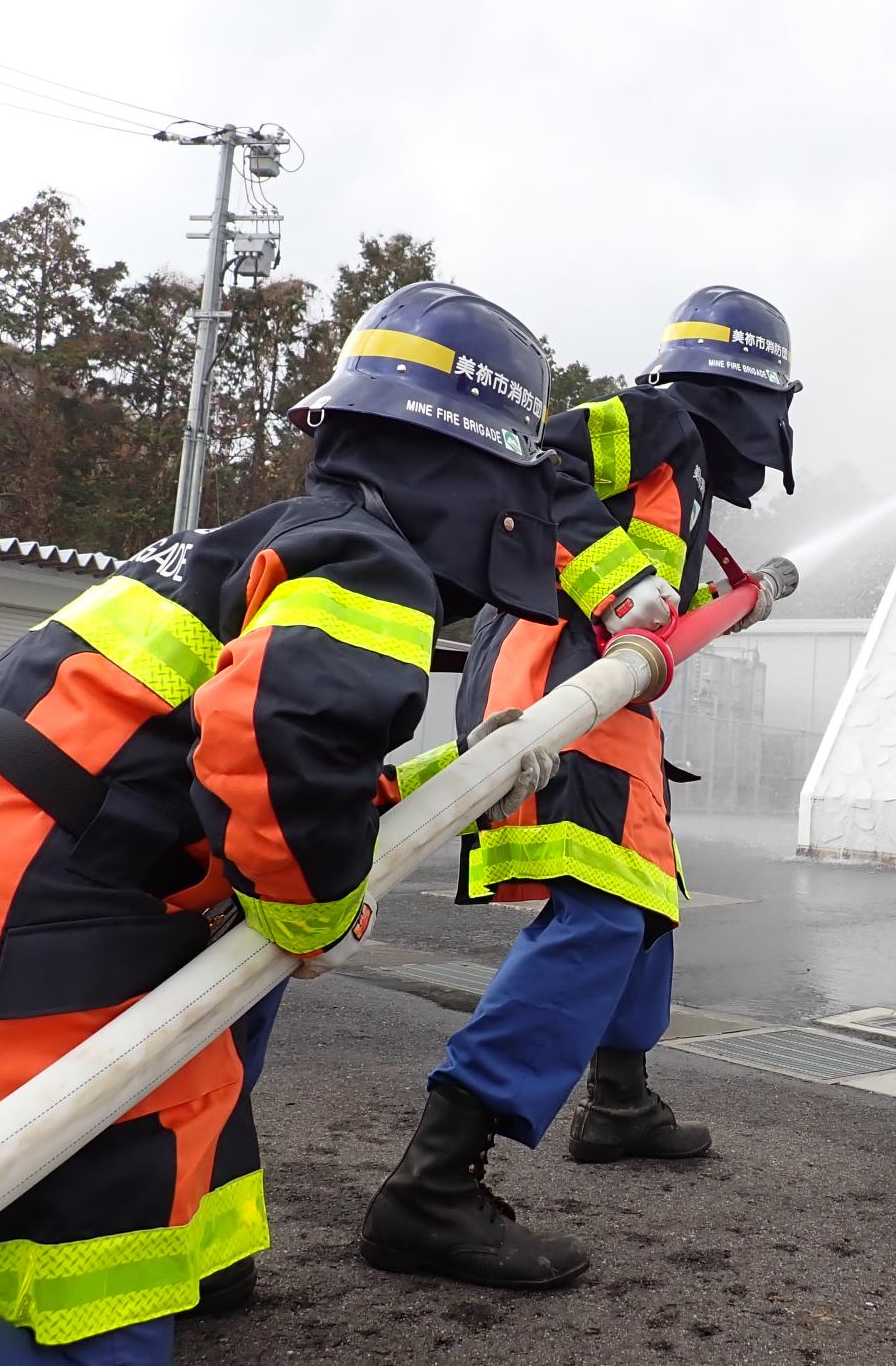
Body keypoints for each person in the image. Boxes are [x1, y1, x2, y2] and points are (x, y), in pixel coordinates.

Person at [0, 282, 569, 1365]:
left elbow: (222, 759)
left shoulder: (249, 543)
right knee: (54, 1249)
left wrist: (461, 771)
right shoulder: (371, 562)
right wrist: (312, 912)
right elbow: (276, 744)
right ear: (484, 476)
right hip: (16, 906)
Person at [359, 285, 799, 1289]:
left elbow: (647, 587)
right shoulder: (657, 421)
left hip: (607, 698)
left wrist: (720, 596)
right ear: (754, 395)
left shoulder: (683, 475)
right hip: (562, 689)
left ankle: (618, 1101)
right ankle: (432, 1181)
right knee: (600, 914)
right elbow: (537, 466)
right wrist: (616, 584)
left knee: (646, 900)